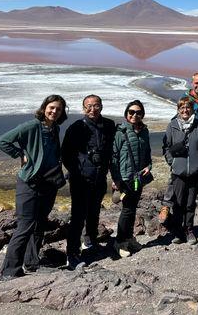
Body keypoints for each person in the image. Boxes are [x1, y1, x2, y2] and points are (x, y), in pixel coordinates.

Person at [0, 95, 68, 280]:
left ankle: (32, 263)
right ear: (44, 108)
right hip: (30, 183)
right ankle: (9, 270)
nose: (54, 112)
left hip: (48, 183)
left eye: (58, 109)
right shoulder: (31, 126)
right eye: (51, 107)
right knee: (25, 226)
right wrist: (20, 154)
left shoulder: (54, 129)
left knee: (39, 224)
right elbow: (2, 141)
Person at [159, 72, 198, 225]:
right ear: (191, 83)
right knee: (176, 170)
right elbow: (182, 115)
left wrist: (197, 115)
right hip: (185, 136)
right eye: (196, 83)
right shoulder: (185, 97)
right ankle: (167, 204)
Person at [61, 94, 116, 269]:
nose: (92, 109)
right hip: (80, 180)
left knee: (94, 213)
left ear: (102, 106)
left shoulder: (109, 125)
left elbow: (113, 151)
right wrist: (78, 171)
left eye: (96, 105)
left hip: (100, 178)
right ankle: (72, 253)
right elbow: (65, 154)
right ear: (83, 108)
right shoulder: (76, 127)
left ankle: (90, 243)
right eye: (88, 106)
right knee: (78, 216)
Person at [162, 96, 198, 245]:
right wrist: (172, 162)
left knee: (190, 203)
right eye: (182, 107)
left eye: (188, 107)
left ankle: (189, 229)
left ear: (192, 109)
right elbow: (166, 147)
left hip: (195, 172)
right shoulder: (172, 126)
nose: (185, 110)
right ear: (178, 110)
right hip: (178, 172)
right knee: (178, 203)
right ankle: (178, 231)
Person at [110, 100, 152, 257]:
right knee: (127, 210)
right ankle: (119, 242)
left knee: (133, 209)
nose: (135, 115)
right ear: (126, 113)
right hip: (124, 178)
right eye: (131, 112)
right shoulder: (120, 132)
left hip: (138, 178)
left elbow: (147, 153)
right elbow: (113, 158)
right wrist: (116, 180)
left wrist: (149, 166)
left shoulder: (144, 132)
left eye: (138, 112)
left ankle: (128, 238)